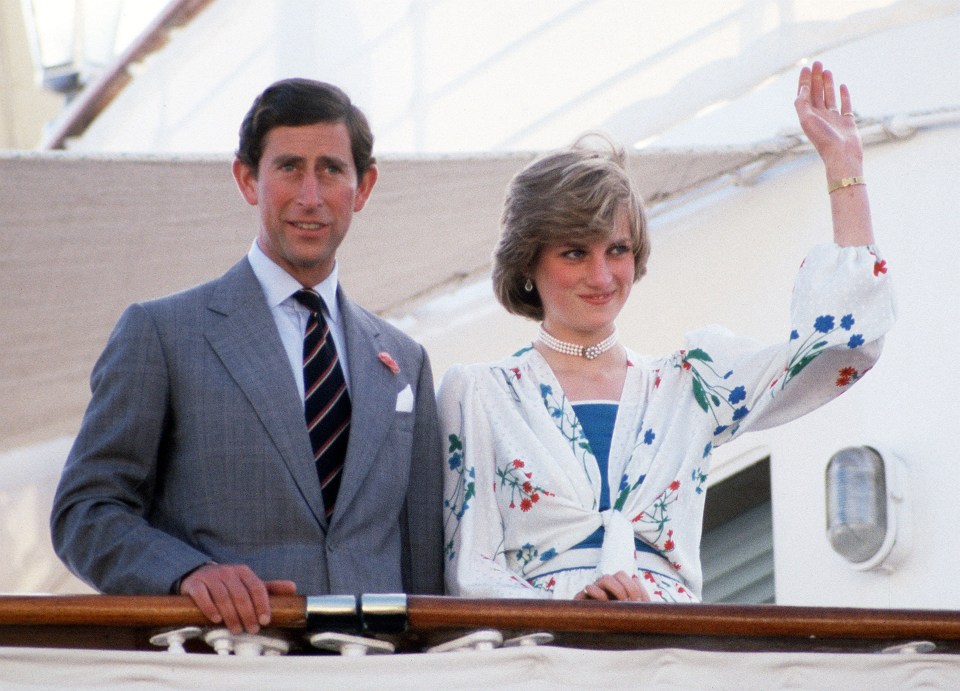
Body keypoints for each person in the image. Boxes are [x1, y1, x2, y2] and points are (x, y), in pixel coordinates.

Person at [438, 62, 896, 602]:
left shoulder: (691, 382)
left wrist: (844, 167)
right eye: (574, 253)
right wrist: (575, 614)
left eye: (618, 250)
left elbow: (841, 348)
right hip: (543, 657)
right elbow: (470, 570)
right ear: (527, 264)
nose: (602, 276)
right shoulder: (482, 393)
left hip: (673, 653)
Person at [51, 78, 444, 633]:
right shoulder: (162, 334)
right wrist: (187, 572)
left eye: (331, 169)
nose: (310, 196)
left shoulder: (406, 360)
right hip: (229, 665)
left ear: (364, 186)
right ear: (246, 179)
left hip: (375, 671)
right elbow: (85, 514)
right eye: (288, 167)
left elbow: (423, 556)